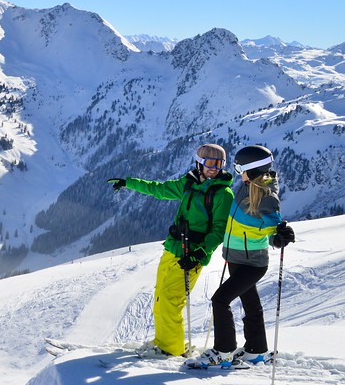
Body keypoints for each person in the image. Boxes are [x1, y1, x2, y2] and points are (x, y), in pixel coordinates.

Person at [108, 143, 234, 356]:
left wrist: (200, 254)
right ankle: (163, 341)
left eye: (219, 164)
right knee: (160, 296)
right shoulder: (188, 184)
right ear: (199, 163)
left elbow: (220, 230)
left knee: (171, 299)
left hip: (192, 255)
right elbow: (159, 189)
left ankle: (171, 349)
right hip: (173, 247)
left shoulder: (223, 194)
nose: (214, 168)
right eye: (210, 163)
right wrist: (129, 182)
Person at [189, 145, 295, 368]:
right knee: (250, 304)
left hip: (252, 263)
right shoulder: (245, 187)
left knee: (220, 300)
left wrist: (280, 237)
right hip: (235, 259)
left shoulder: (266, 197)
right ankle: (256, 351)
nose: (238, 173)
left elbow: (273, 231)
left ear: (252, 169)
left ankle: (224, 351)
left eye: (240, 168)